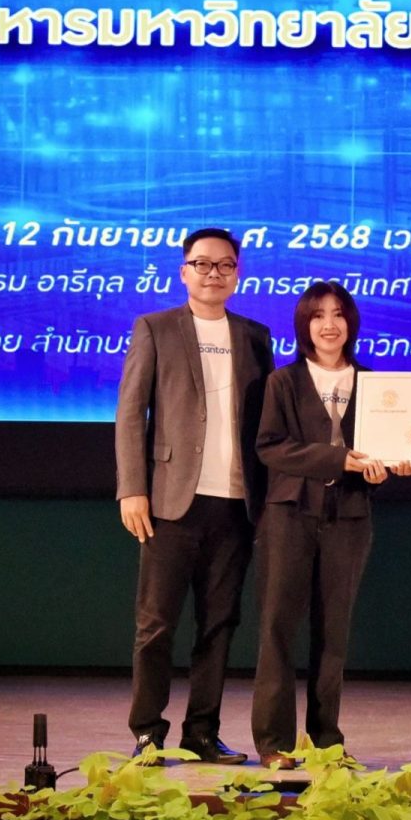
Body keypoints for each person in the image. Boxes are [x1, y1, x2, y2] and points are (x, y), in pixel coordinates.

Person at [115, 227, 273, 763]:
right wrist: (132, 489)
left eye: (225, 265)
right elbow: (130, 413)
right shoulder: (155, 328)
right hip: (169, 501)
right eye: (202, 264)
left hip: (236, 503)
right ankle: (147, 732)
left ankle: (202, 732)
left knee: (220, 624)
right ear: (184, 272)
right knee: (156, 625)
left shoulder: (255, 336)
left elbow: (268, 422)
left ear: (237, 274)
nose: (213, 273)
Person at [250, 281, 411, 768]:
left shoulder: (373, 384)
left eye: (339, 314)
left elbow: (379, 453)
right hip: (288, 515)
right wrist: (339, 458)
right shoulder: (283, 382)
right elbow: (270, 448)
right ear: (304, 324)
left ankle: (327, 742)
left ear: (351, 323)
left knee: (333, 633)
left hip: (349, 516)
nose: (329, 324)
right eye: (318, 315)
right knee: (278, 629)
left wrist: (386, 468)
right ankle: (275, 743)